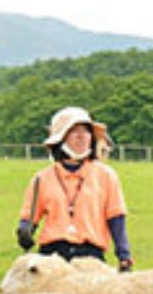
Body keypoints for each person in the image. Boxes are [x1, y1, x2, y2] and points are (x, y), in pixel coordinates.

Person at [16, 106, 133, 271]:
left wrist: (124, 256)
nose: (81, 136)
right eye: (73, 131)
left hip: (91, 257)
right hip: (52, 257)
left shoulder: (106, 176)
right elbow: (29, 218)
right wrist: (24, 232)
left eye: (86, 131)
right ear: (60, 139)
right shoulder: (41, 179)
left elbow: (116, 219)